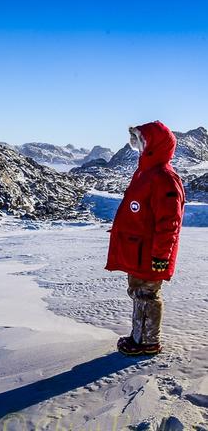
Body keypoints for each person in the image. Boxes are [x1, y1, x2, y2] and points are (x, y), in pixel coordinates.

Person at [105, 120, 185, 356]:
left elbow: (170, 223)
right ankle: (137, 337)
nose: (138, 146)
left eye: (142, 141)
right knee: (138, 293)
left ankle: (149, 341)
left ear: (155, 145)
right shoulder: (145, 173)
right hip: (138, 251)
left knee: (148, 295)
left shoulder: (164, 178)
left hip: (151, 253)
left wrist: (161, 257)